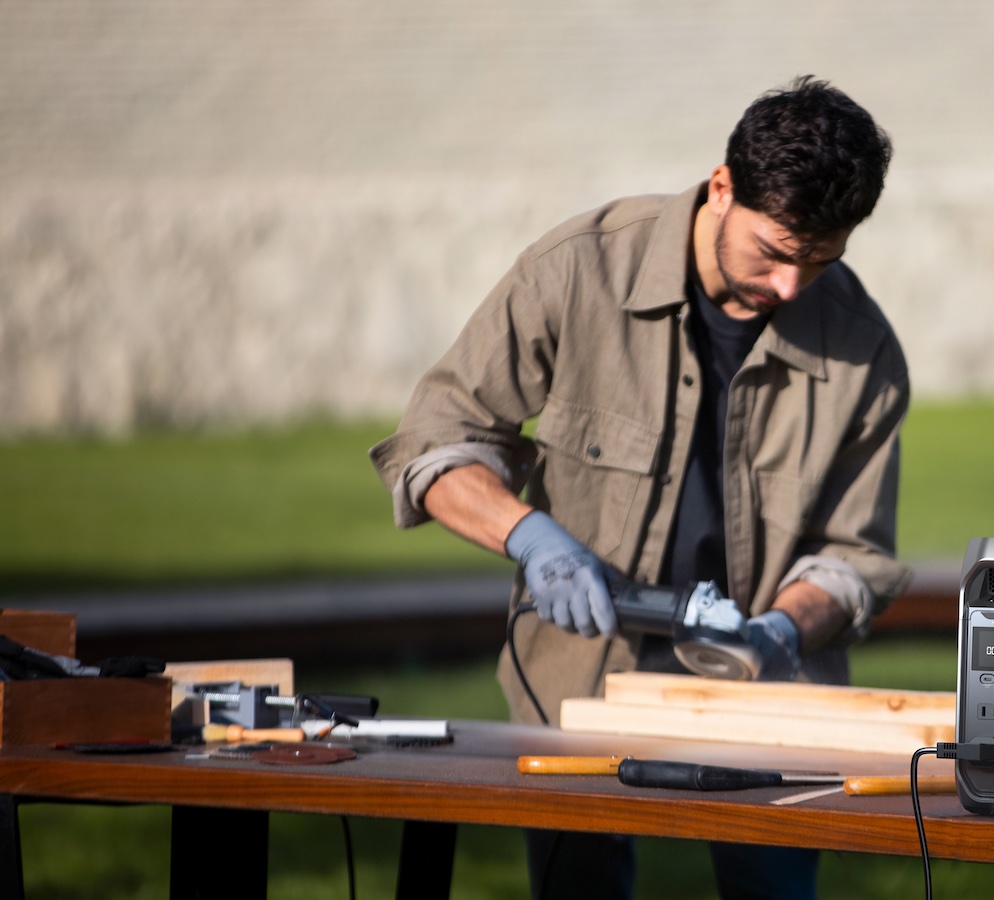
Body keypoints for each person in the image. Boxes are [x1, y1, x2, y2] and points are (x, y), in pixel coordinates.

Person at [369, 76, 911, 899]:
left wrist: (778, 632)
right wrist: (531, 537)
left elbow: (854, 557)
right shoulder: (576, 270)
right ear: (722, 187)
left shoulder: (864, 347)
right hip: (574, 686)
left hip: (770, 707)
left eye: (822, 259)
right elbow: (435, 441)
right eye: (774, 252)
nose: (793, 288)